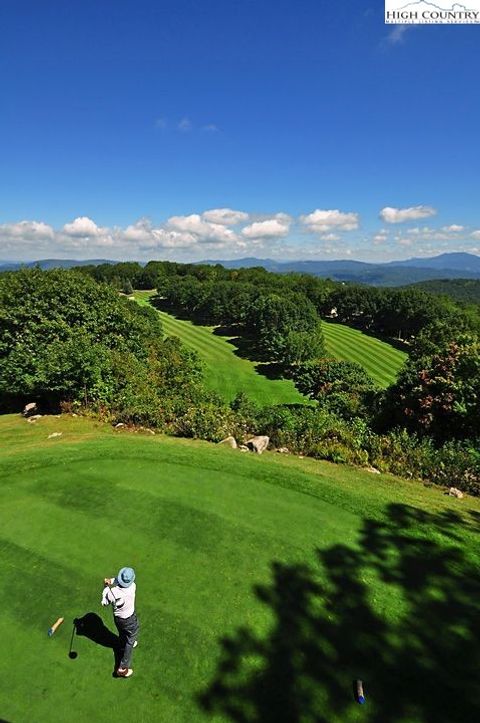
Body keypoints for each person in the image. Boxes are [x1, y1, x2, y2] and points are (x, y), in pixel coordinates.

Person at [101, 566, 139, 678]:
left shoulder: (112, 593)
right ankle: (122, 668)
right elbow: (122, 582)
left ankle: (123, 643)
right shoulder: (133, 586)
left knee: (123, 632)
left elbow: (104, 603)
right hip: (130, 619)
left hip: (118, 619)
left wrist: (106, 588)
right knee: (131, 639)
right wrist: (111, 582)